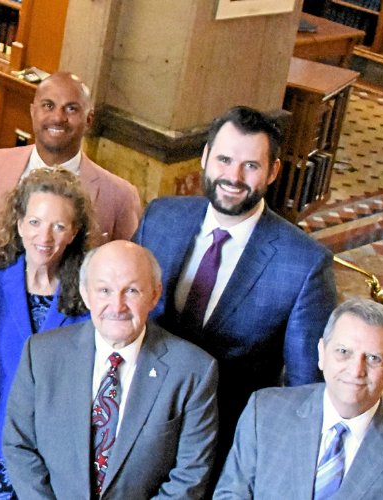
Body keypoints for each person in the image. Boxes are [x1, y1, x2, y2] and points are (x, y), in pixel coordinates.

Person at [133, 106, 338, 456]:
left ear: (273, 171)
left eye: (251, 166)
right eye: (224, 160)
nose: (233, 176)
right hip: (135, 420)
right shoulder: (160, 217)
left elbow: (303, 388)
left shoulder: (304, 264)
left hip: (226, 443)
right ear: (205, 157)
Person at [2, 241, 219, 499]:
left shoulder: (194, 370)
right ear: (85, 293)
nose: (117, 306)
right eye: (104, 290)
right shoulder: (41, 354)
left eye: (132, 291)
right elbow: (19, 445)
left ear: (154, 294)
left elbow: (190, 476)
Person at [0, 168, 96, 499]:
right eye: (35, 222)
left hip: (52, 461)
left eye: (59, 226)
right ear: (20, 223)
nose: (45, 236)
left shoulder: (91, 295)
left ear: (74, 232)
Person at [215, 299, 383, 499]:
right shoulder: (265, 411)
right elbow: (231, 494)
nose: (356, 370)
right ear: (322, 353)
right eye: (344, 352)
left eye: (373, 358)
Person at [0, 72, 142, 269]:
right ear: (33, 111)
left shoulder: (120, 197)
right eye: (48, 106)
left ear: (89, 120)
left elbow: (127, 274)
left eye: (71, 109)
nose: (58, 117)